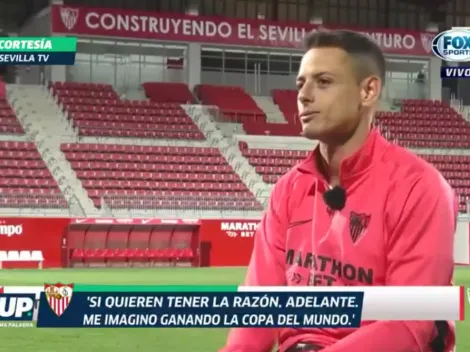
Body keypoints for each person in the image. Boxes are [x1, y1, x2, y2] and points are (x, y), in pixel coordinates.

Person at [220, 30, 457, 352]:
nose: (303, 95)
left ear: (368, 90)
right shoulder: (287, 190)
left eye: (324, 82)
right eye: (301, 83)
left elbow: (408, 325)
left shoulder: (420, 188)